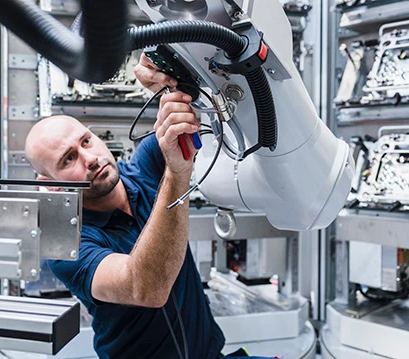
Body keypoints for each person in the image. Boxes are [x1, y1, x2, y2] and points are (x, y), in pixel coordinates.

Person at [25, 56, 274, 359]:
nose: (89, 158)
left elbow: (200, 98)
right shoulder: (67, 245)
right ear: (49, 183)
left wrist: (167, 75)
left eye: (86, 141)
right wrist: (176, 173)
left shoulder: (144, 169)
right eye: (68, 159)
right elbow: (145, 288)